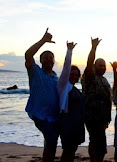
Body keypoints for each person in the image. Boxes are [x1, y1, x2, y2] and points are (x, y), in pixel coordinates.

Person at [25, 28, 60, 162]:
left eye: (51, 57)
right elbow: (28, 54)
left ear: (54, 61)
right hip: (39, 114)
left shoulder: (56, 77)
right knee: (51, 137)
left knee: (52, 140)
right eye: (45, 57)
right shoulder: (35, 72)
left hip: (54, 116)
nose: (48, 59)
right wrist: (43, 41)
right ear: (40, 60)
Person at [81, 37, 112, 162]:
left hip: (102, 118)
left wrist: (107, 119)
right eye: (100, 65)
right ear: (94, 66)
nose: (103, 68)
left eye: (104, 66)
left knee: (96, 143)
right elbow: (89, 62)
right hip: (92, 117)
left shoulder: (104, 80)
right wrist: (94, 48)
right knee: (98, 145)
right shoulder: (90, 76)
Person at [57, 41, 85, 162]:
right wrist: (69, 51)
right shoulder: (63, 86)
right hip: (67, 122)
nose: (73, 76)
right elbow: (66, 68)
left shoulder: (75, 89)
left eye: (76, 75)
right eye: (71, 74)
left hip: (77, 123)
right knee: (68, 150)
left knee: (72, 149)